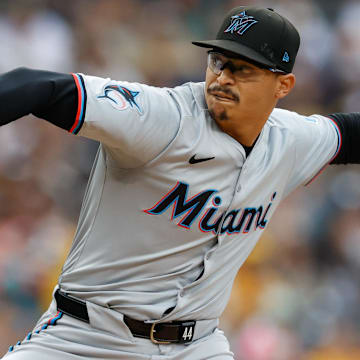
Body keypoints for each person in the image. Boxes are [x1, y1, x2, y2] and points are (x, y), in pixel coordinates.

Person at [0, 5, 356, 360]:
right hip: (85, 337)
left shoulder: (293, 140)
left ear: (283, 85)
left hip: (196, 347)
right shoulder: (163, 117)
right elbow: (38, 86)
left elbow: (350, 133)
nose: (223, 78)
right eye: (218, 61)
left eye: (243, 69)